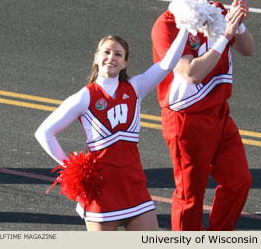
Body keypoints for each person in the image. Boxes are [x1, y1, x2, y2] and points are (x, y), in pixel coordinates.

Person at [35, 26, 190, 230]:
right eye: (106, 52)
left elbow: (169, 63)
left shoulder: (136, 88)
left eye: (118, 54)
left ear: (125, 63)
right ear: (97, 58)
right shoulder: (85, 96)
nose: (111, 57)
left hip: (133, 184)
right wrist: (72, 168)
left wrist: (187, 24)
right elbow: (44, 132)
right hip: (101, 189)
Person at [151, 0, 255, 230]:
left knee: (239, 181)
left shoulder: (216, 9)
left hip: (219, 112)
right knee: (191, 196)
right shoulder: (167, 24)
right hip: (187, 119)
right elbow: (191, 73)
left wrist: (239, 24)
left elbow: (248, 49)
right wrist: (225, 36)